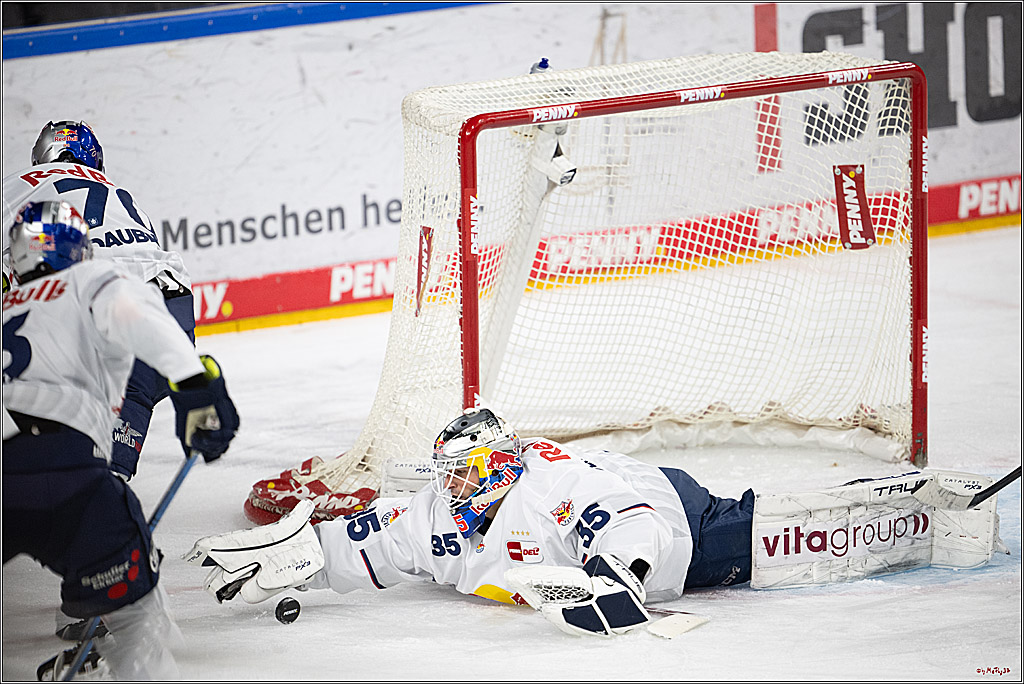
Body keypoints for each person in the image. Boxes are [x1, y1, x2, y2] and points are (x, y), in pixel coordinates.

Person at [185, 406, 755, 637]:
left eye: (457, 472)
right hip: (638, 508)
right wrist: (304, 557)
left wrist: (615, 576)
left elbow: (632, 524)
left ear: (491, 467)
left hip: (679, 518)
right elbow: (372, 546)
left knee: (762, 542)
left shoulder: (553, 485)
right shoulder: (439, 512)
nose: (445, 485)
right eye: (443, 473)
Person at [2, 200, 240, 678]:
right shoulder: (91, 280)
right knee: (140, 621)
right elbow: (139, 314)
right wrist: (196, 387)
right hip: (74, 477)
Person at [2, 120, 197, 641]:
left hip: (82, 314)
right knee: (99, 458)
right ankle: (107, 581)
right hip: (168, 311)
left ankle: (100, 574)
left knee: (56, 446)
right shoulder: (119, 192)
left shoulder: (16, 187)